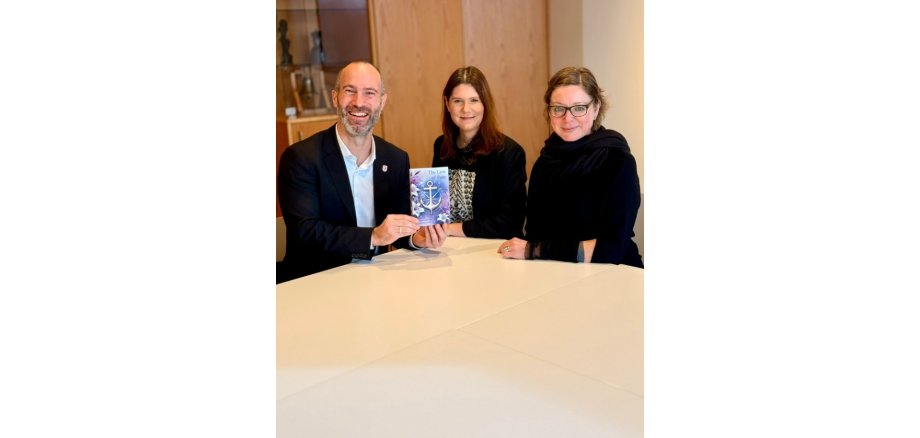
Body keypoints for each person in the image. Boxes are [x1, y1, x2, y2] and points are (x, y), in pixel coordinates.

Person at [277, 61, 446, 282]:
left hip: (377, 278)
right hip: (316, 281)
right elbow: (306, 231)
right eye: (350, 91)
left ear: (381, 102)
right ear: (335, 97)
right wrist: (373, 237)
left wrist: (417, 238)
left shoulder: (395, 158)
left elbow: (397, 227)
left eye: (369, 93)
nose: (358, 102)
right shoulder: (301, 157)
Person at [497, 66, 643, 267]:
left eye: (578, 108)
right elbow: (535, 234)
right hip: (554, 271)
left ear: (596, 108)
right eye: (558, 108)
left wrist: (534, 250)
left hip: (613, 274)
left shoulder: (617, 161)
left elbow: (611, 248)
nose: (567, 118)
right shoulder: (544, 162)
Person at [431, 66, 527, 239]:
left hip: (493, 252)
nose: (466, 109)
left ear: (485, 104)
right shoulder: (441, 146)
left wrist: (451, 229)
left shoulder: (509, 153)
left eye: (474, 100)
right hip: (448, 249)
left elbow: (511, 223)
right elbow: (435, 209)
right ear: (447, 104)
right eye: (458, 101)